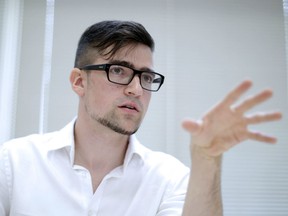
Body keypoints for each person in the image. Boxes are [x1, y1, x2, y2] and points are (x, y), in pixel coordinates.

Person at [0, 20, 282, 216]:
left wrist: (208, 159)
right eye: (119, 71)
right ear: (79, 82)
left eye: (146, 76)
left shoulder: (170, 179)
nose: (136, 89)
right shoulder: (13, 163)